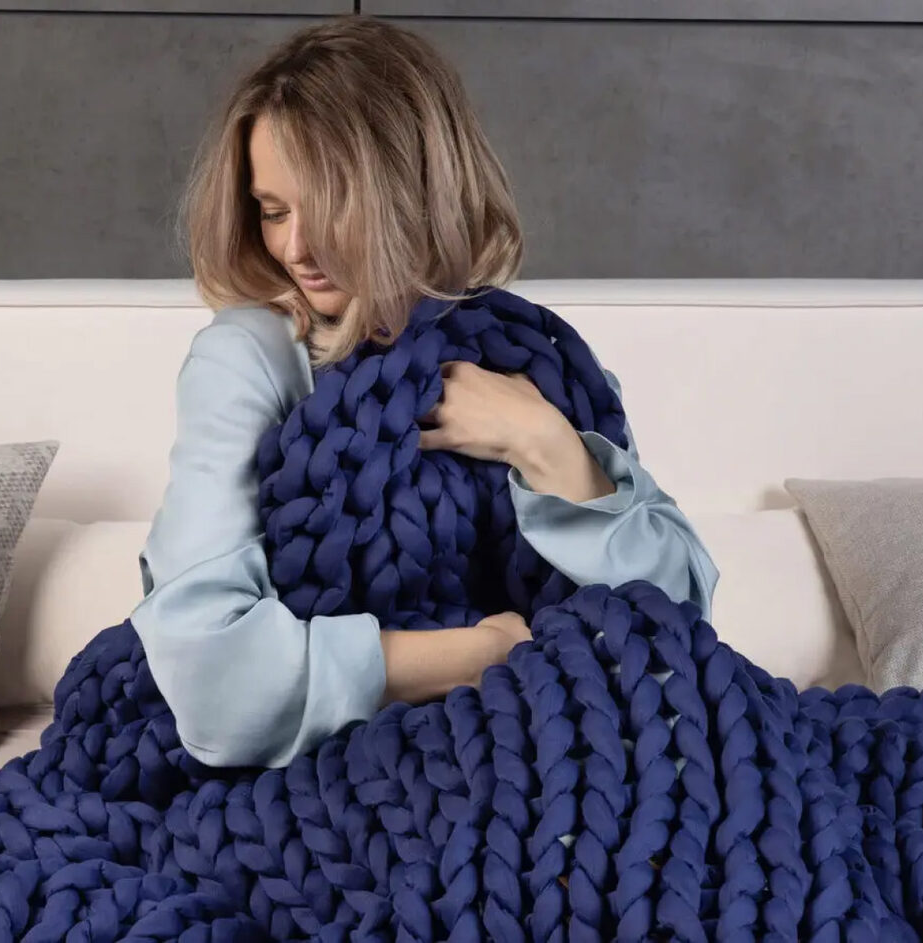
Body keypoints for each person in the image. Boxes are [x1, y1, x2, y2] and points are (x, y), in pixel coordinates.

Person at [131, 16, 718, 769]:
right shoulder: (249, 359)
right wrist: (482, 655)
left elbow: (679, 624)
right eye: (273, 212)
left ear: (415, 190)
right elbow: (215, 684)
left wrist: (546, 445)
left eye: (329, 205)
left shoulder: (534, 361)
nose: (295, 248)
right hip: (334, 765)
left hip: (550, 746)